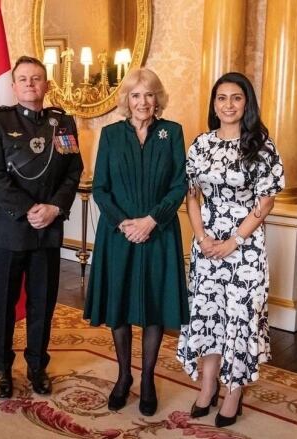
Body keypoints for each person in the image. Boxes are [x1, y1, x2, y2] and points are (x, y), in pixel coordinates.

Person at [176, 72, 285, 428]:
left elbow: (265, 202)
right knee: (208, 316)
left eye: (236, 98)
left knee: (239, 319)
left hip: (245, 248)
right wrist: (203, 238)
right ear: (214, 104)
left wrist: (233, 242)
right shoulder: (201, 144)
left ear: (246, 103)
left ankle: (234, 391)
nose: (228, 105)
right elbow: (191, 196)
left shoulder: (262, 147)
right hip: (207, 246)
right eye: (221, 98)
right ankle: (207, 386)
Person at [84, 68, 189, 417]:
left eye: (148, 95)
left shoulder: (171, 133)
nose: (142, 102)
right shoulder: (111, 135)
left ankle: (146, 380)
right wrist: (125, 224)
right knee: (119, 305)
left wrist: (151, 220)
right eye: (135, 95)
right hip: (119, 235)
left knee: (154, 306)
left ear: (157, 99)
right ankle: (123, 376)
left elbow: (179, 185)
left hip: (159, 233)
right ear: (126, 100)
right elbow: (101, 188)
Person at [0, 56, 83, 399]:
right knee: (3, 303)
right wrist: (29, 210)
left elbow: (72, 172)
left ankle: (37, 366)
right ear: (13, 85)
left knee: (42, 303)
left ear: (46, 85)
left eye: (36, 78)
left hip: (47, 230)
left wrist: (54, 208)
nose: (29, 84)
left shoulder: (62, 123)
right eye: (22, 79)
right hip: (9, 229)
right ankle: (2, 369)